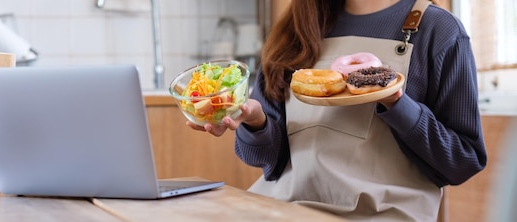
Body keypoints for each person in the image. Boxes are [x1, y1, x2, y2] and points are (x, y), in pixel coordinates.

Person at [187, 0, 487, 221]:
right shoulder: (296, 30)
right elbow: (265, 161)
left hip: (382, 214)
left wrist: (396, 102)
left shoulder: (439, 30)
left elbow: (462, 162)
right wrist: (256, 121)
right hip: (282, 207)